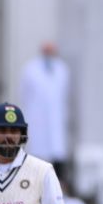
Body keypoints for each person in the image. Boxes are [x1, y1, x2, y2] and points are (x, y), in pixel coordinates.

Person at [20, 42, 70, 181]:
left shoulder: (62, 69)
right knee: (37, 156)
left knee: (57, 154)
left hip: (56, 120)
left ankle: (59, 185)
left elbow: (64, 94)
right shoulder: (30, 69)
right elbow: (24, 94)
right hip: (37, 119)